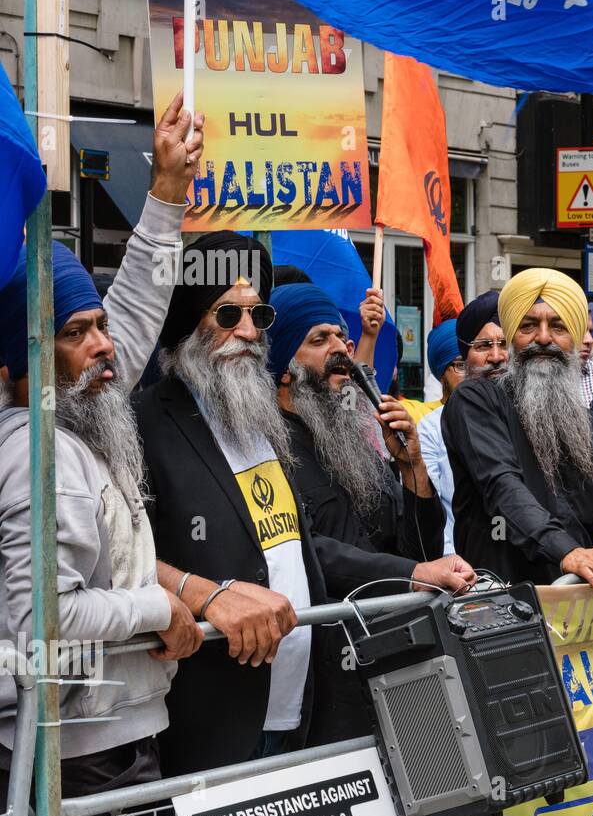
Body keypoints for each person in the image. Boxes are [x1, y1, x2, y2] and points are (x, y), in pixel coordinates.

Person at [133, 233, 457, 776]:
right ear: (190, 322)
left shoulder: (259, 420)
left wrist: (414, 574)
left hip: (302, 707)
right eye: (226, 314)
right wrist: (208, 597)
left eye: (258, 314)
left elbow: (305, 549)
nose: (246, 330)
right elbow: (118, 557)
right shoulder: (147, 424)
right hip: (212, 718)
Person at [0, 94, 206, 805]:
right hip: (77, 750)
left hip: (111, 731)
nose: (104, 345)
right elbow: (44, 626)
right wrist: (157, 605)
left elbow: (137, 312)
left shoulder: (77, 412)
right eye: (76, 331)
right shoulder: (36, 451)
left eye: (99, 325)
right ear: (19, 358)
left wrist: (167, 196)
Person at [264, 279, 473, 745]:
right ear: (283, 367)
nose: (341, 348)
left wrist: (412, 467)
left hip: (391, 653)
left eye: (341, 335)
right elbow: (307, 549)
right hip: (319, 673)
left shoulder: (351, 434)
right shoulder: (265, 447)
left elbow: (412, 541)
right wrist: (413, 573)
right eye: (319, 340)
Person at [443, 269, 593, 593]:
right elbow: (503, 487)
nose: (543, 338)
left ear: (574, 340)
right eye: (528, 326)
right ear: (512, 336)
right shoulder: (476, 400)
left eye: (558, 326)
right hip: (503, 610)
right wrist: (568, 553)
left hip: (585, 613)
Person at [417, 290, 507, 556]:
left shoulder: (529, 418)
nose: (496, 357)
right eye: (483, 346)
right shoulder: (432, 427)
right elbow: (432, 511)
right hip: (464, 568)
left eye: (504, 345)